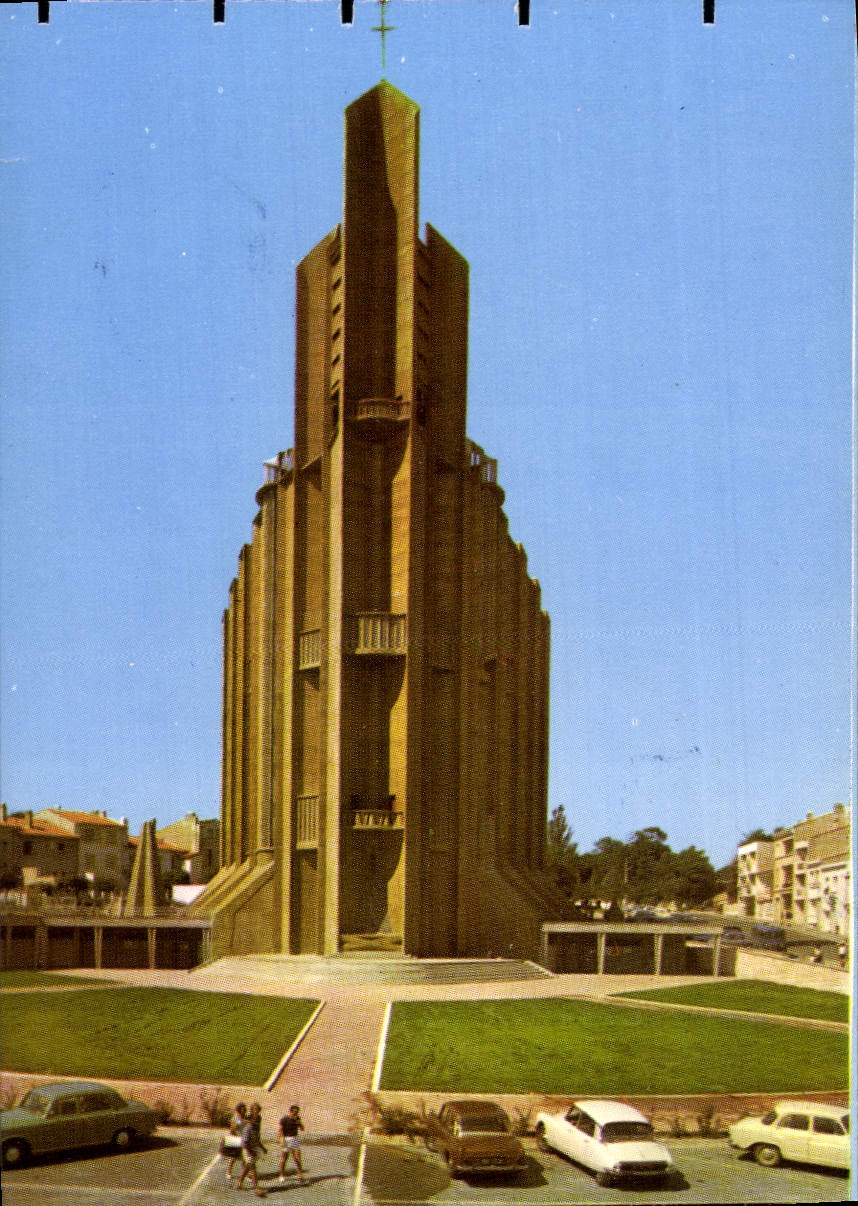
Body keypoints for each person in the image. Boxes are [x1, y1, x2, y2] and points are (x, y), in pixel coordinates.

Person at [235, 1102, 268, 1198]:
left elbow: (257, 1137)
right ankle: (257, 1188)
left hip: (253, 1147)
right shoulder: (248, 1126)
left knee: (248, 1166)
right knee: (253, 1167)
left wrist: (262, 1147)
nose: (257, 1113)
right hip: (247, 1148)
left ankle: (240, 1182)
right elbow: (245, 1141)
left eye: (258, 1110)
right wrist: (248, 1152)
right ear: (251, 1112)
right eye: (255, 1110)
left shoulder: (257, 1123)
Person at [278, 1104, 307, 1184]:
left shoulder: (297, 1118)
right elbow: (280, 1131)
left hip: (295, 1138)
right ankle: (281, 1175)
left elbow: (302, 1129)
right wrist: (281, 1141)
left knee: (297, 1158)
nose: (295, 1114)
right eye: (294, 1112)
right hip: (286, 1139)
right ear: (290, 1111)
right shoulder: (284, 1119)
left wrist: (299, 1123)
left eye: (297, 1112)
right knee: (284, 1158)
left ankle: (300, 1176)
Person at [222, 1102, 247, 1183]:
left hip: (243, 1139)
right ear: (239, 1110)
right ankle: (229, 1172)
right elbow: (232, 1130)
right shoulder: (235, 1118)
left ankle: (245, 1174)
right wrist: (237, 1137)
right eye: (242, 1110)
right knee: (233, 1158)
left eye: (244, 1110)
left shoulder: (245, 1117)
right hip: (236, 1139)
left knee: (244, 1158)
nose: (243, 1111)